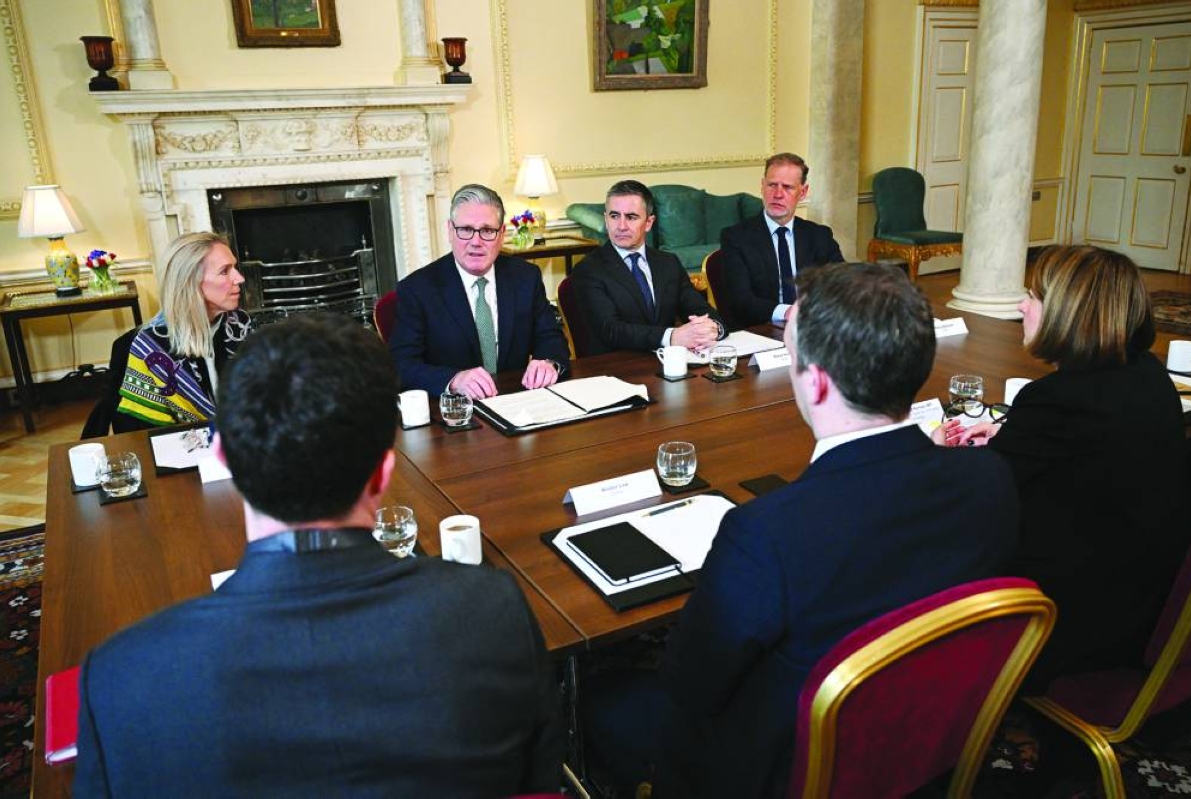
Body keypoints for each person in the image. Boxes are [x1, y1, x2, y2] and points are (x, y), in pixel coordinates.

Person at [74, 314, 564, 797]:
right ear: (384, 470)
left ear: (222, 457)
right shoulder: (494, 610)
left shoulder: (120, 677)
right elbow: (537, 782)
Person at [655, 263, 1018, 798]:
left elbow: (690, 683)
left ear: (817, 381)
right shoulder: (989, 477)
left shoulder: (766, 533)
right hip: (931, 748)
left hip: (793, 772)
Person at [938, 244, 1189, 688]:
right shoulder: (1148, 374)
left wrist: (940, 452)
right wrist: (1011, 434)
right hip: (1144, 595)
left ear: (1069, 313)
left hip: (1070, 621)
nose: (1021, 306)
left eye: (1033, 296)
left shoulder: (1056, 400)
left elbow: (979, 499)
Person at [390, 183, 570, 399]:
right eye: (466, 229)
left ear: (501, 234)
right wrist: (454, 380)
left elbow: (551, 338)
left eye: (487, 231)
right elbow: (401, 366)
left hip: (517, 402)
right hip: (454, 410)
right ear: (450, 231)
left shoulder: (526, 277)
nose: (476, 242)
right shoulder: (418, 289)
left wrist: (548, 363)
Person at [114, 231, 252, 431]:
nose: (239, 278)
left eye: (235, 268)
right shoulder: (153, 346)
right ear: (190, 281)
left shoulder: (239, 324)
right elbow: (140, 431)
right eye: (224, 271)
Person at [573, 180, 724, 356]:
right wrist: (671, 337)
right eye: (614, 216)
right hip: (616, 365)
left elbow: (700, 310)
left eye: (631, 217)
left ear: (649, 223)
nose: (621, 226)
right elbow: (610, 330)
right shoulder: (588, 269)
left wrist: (713, 328)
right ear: (606, 219)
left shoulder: (668, 263)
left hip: (667, 363)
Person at [719, 153, 844, 330]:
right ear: (762, 186)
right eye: (772, 185)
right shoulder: (736, 237)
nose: (778, 194)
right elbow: (741, 301)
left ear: (802, 192)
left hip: (813, 328)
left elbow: (842, 286)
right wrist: (787, 312)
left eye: (787, 187)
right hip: (761, 329)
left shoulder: (819, 235)